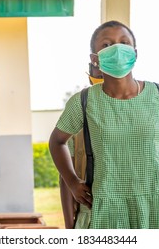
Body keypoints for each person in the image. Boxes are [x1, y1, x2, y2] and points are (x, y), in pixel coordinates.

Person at [49, 20, 159, 229]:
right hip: (106, 210)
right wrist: (73, 182)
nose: (117, 49)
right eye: (106, 44)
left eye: (124, 42)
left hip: (157, 207)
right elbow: (57, 142)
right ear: (95, 59)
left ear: (135, 54)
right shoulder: (83, 102)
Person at [59, 63, 103, 229]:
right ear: (89, 75)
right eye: (98, 67)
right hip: (89, 214)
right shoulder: (77, 116)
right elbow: (65, 178)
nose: (104, 73)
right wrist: (70, 226)